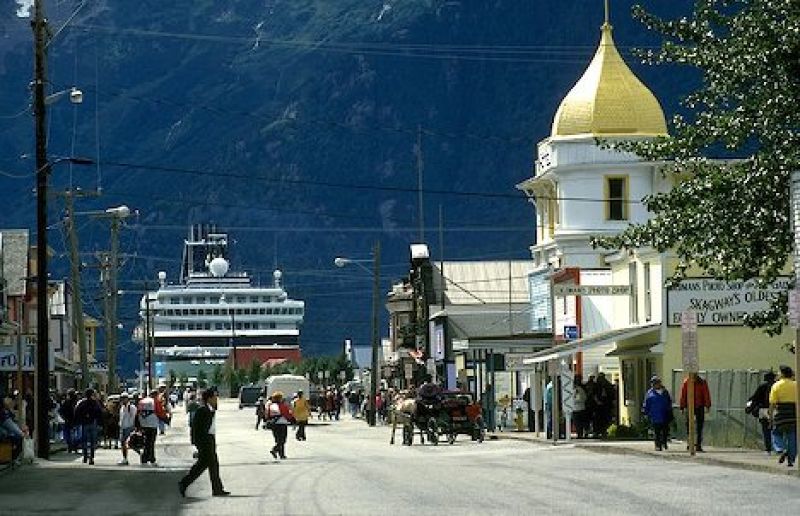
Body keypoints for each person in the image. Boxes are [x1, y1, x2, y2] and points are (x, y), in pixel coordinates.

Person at [179, 387, 230, 497]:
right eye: (215, 397)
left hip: (209, 439)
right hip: (204, 440)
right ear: (210, 398)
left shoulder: (210, 409)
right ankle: (184, 483)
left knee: (212, 465)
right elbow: (195, 428)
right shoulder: (202, 410)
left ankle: (217, 489)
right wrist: (196, 443)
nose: (217, 399)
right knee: (202, 465)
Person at [769, 365, 797, 467]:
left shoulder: (776, 386)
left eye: (779, 372)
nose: (777, 374)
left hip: (781, 414)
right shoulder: (796, 385)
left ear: (783, 374)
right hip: (794, 414)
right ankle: (791, 459)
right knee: (792, 436)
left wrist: (771, 417)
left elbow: (772, 403)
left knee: (776, 433)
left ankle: (781, 449)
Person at [679, 373, 712, 452]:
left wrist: (707, 405)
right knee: (689, 425)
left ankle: (698, 444)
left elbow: (706, 394)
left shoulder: (702, 382)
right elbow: (683, 395)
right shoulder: (687, 382)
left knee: (699, 426)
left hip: (699, 406)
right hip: (689, 406)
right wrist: (682, 406)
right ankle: (690, 443)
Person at [748, 371, 777, 453]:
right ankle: (778, 447)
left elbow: (754, 398)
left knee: (765, 429)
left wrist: (749, 407)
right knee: (776, 429)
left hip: (763, 410)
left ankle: (768, 447)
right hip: (775, 410)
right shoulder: (777, 386)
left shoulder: (762, 386)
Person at [643, 376, 673, 451]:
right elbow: (647, 403)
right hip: (655, 415)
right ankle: (657, 445)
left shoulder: (665, 392)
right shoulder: (650, 393)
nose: (655, 385)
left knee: (665, 431)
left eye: (656, 383)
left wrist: (670, 411)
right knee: (657, 431)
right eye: (653, 383)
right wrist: (645, 412)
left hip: (664, 414)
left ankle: (664, 442)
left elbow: (669, 402)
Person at [73, 388, 103, 465]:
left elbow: (76, 412)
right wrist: (100, 423)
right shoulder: (95, 403)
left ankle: (85, 456)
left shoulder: (82, 403)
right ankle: (91, 457)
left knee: (84, 441)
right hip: (93, 423)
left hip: (84, 424)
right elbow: (100, 412)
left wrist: (78, 421)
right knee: (93, 441)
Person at [267, 391, 294, 460]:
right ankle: (275, 450)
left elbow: (268, 415)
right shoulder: (282, 406)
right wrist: (292, 419)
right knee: (282, 440)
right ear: (280, 398)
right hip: (282, 424)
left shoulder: (271, 406)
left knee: (278, 440)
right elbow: (287, 415)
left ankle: (281, 454)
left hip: (274, 424)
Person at [0, 394, 25, 463]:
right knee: (15, 435)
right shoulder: (4, 413)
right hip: (4, 421)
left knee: (10, 435)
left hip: (5, 421)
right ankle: (12, 457)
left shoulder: (7, 412)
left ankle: (12, 456)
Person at [137, 390, 160, 466]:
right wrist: (166, 419)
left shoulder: (142, 401)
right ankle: (152, 459)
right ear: (155, 395)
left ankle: (144, 459)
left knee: (146, 442)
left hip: (143, 424)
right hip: (152, 424)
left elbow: (138, 412)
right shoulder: (155, 401)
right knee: (151, 442)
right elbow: (159, 411)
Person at [118, 393, 137, 465]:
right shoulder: (122, 408)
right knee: (123, 444)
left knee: (131, 444)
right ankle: (125, 459)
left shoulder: (132, 407)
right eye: (122, 398)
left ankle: (141, 454)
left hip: (129, 427)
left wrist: (133, 428)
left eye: (124, 398)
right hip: (123, 428)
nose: (123, 400)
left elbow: (134, 417)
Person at [59, 389, 79, 453]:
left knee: (68, 434)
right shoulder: (76, 402)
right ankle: (74, 447)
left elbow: (61, 411)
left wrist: (64, 418)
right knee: (75, 434)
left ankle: (70, 447)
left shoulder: (66, 402)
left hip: (68, 420)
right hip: (75, 421)